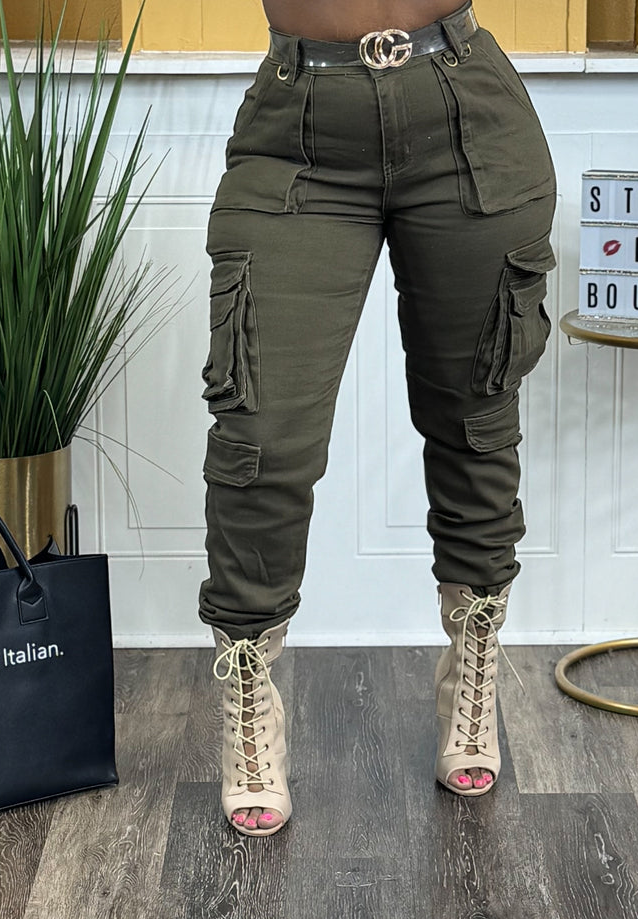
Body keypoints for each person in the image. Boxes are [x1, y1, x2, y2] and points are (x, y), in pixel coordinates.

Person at [201, 1, 556, 836]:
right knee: (260, 436)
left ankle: (473, 668)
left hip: (467, 118)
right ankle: (249, 690)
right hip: (297, 130)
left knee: (475, 418)